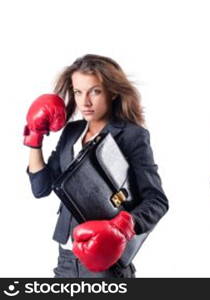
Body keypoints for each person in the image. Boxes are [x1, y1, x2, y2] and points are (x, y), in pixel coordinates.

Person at [25, 54, 169, 277]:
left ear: (112, 92)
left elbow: (157, 201)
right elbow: (41, 188)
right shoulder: (72, 132)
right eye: (78, 92)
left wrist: (123, 227)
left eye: (95, 91)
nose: (85, 102)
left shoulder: (132, 135)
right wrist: (35, 138)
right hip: (66, 260)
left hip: (105, 263)